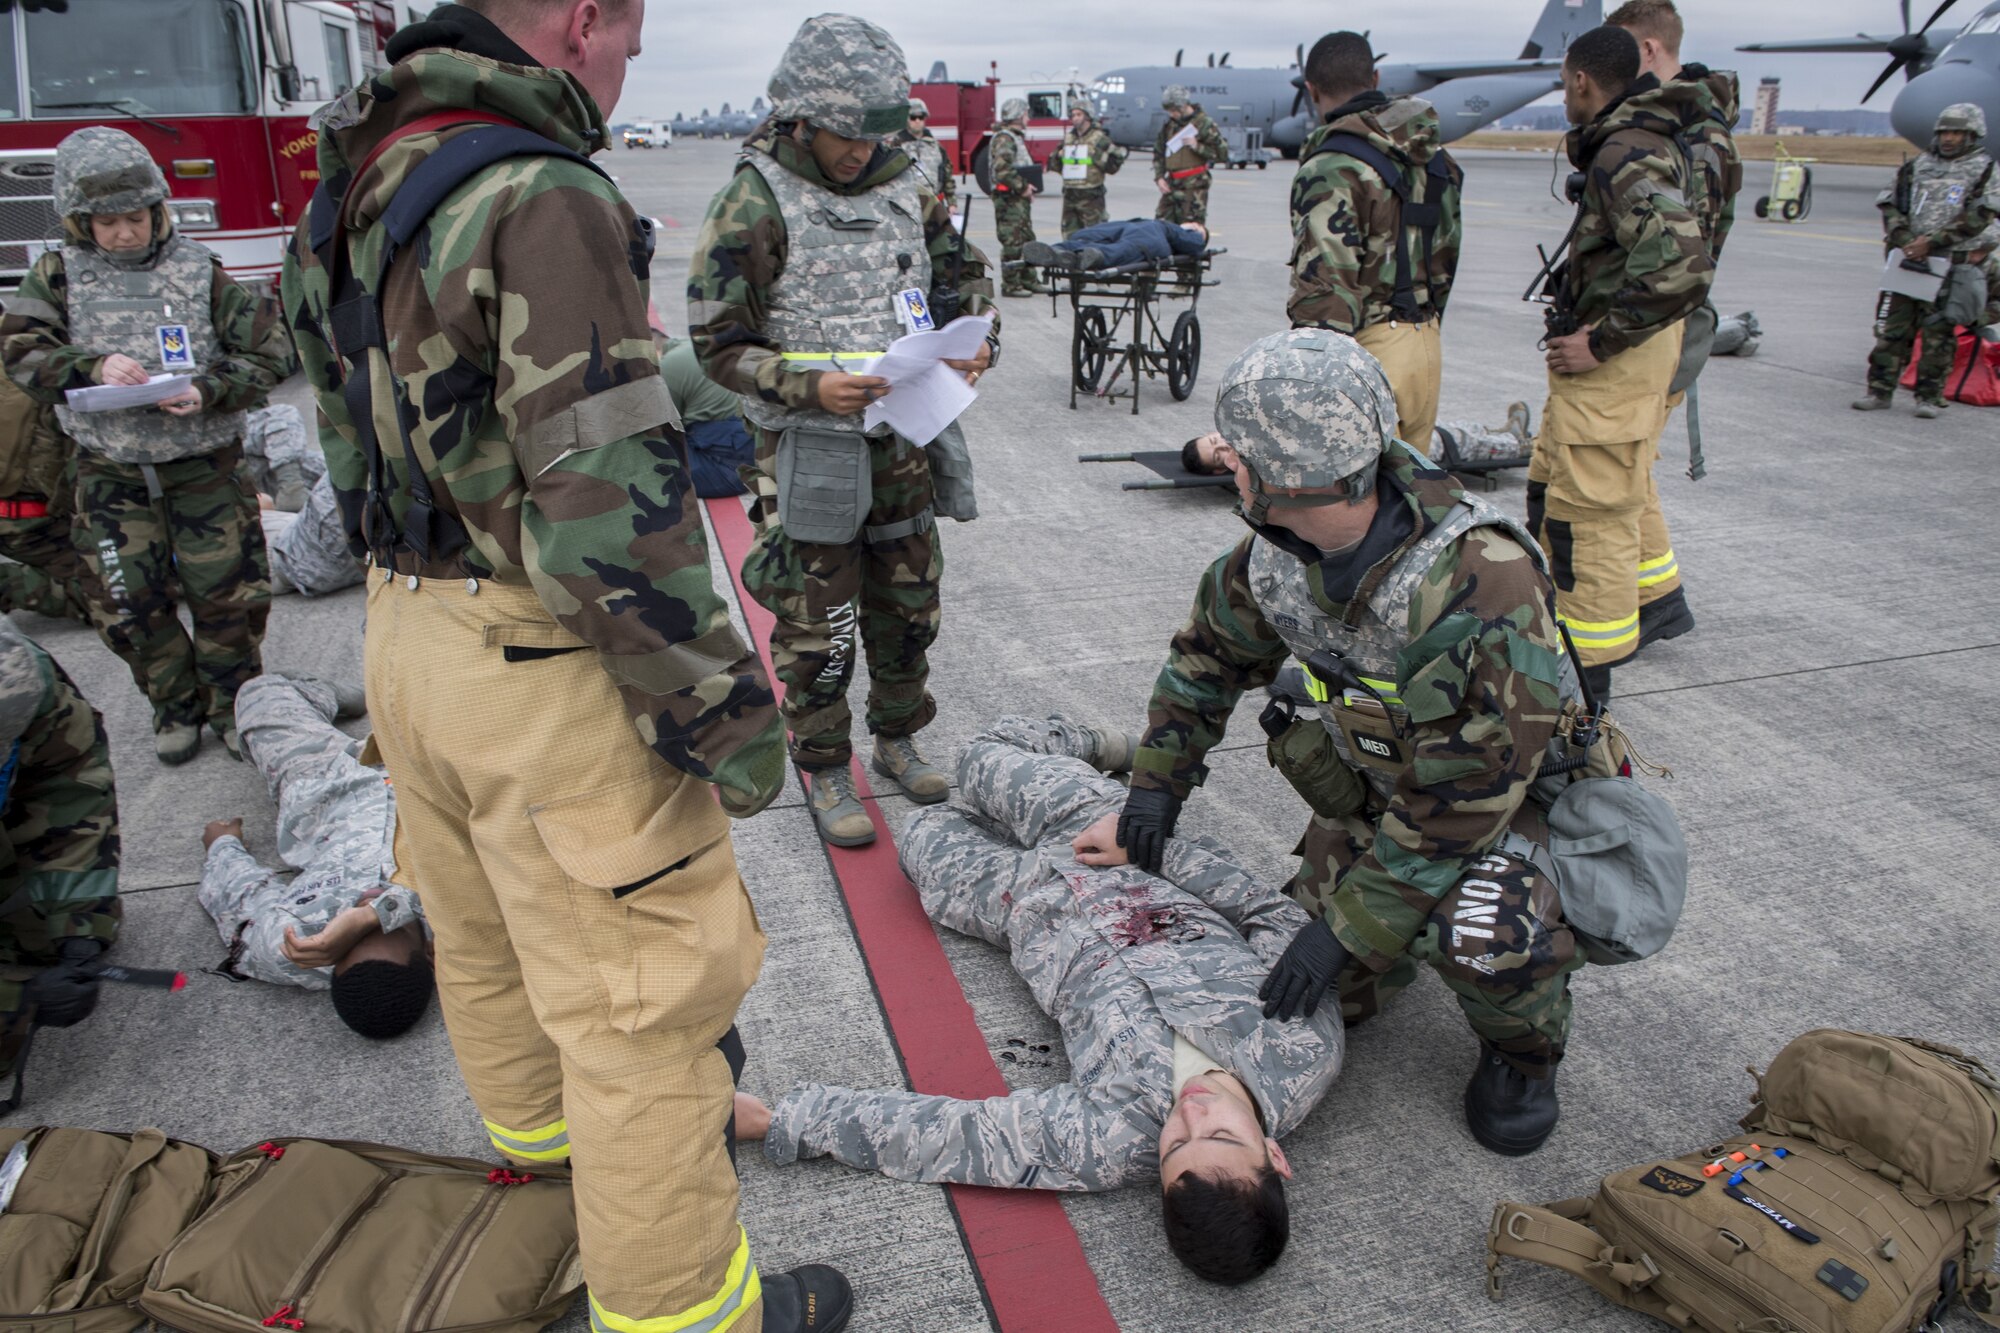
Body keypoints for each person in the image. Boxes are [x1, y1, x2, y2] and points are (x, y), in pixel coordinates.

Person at [280, 3, 848, 1330]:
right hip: (538, 656)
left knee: (486, 952)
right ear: (582, 21)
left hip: (407, 640)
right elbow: (606, 511)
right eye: (631, 41)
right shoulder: (539, 193)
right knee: (644, 1020)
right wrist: (728, 721)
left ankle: (547, 1211)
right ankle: (689, 1315)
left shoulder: (356, 180)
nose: (627, 68)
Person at [1094, 329, 1590, 1157]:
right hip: (1387, 794)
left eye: (1236, 453)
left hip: (1507, 811)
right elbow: (1208, 659)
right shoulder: (1280, 555)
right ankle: (1378, 929)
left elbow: (1467, 795)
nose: (1226, 464)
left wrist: (1348, 928)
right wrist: (1156, 786)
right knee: (1308, 989)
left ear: (1282, 476)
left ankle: (1523, 1051)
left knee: (1482, 932)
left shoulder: (1479, 579)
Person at [743, 715, 1339, 1286]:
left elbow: (958, 1137)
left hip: (1018, 901)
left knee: (923, 831)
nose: (1192, 1115)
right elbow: (1270, 915)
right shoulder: (1299, 1049)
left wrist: (785, 1121)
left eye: (1175, 1148)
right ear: (1274, 1156)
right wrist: (1152, 849)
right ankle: (1097, 747)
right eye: (1223, 1136)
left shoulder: (1111, 1139)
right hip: (1116, 850)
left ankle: (1029, 801)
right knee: (979, 758)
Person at [689, 13, 999, 850]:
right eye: (843, 135)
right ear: (799, 115)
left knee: (909, 603)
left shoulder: (908, 182)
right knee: (817, 619)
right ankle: (825, 764)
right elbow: (717, 343)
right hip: (808, 449)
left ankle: (898, 738)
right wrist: (808, 386)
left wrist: (976, 341)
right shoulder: (754, 200)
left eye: (875, 133)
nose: (860, 151)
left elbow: (963, 277)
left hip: (905, 435)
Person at [2, 127, 294, 765]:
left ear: (157, 210)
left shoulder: (199, 273)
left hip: (202, 470)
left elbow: (271, 354)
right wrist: (90, 366)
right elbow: (21, 353)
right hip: (110, 473)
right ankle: (174, 706)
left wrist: (210, 389)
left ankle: (232, 708)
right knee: (128, 602)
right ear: (80, 223)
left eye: (134, 219)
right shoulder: (56, 276)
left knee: (228, 596)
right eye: (105, 224)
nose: (124, 235)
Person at [1524, 25, 1712, 701]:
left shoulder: (1625, 151)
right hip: (1628, 355)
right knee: (1560, 487)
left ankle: (1584, 693)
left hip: (1615, 361)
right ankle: (1600, 631)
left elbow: (1683, 262)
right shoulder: (1646, 137)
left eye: (1565, 85)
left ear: (1581, 80)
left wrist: (1599, 340)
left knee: (1588, 519)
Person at [1610, 0, 1743, 652]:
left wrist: (1609, 332)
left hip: (1661, 329)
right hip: (1663, 326)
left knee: (1620, 466)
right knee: (1632, 467)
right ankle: (1657, 593)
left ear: (1652, 52)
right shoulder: (1688, 124)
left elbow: (1677, 258)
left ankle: (1651, 601)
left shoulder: (1691, 134)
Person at [198, 675, 432, 1038]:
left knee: (259, 693)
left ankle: (334, 695)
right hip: (434, 773)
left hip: (329, 784)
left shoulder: (295, 948)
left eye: (348, 939)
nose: (362, 907)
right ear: (430, 955)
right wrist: (376, 916)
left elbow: (242, 901)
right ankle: (373, 685)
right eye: (385, 927)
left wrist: (222, 847)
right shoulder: (465, 930)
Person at [1288, 31, 1464, 452]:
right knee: (1411, 499)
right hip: (1425, 343)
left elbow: (1325, 285)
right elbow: (1447, 251)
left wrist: (1313, 378)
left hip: (1369, 350)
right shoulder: (1435, 158)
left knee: (1354, 502)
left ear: (1311, 90)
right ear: (1375, 76)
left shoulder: (1333, 166)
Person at [0, 616, 119, 1111]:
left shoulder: (20, 680)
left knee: (52, 939)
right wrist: (17, 1001)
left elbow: (70, 791)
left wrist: (78, 925)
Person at [1853, 103, 1998, 416]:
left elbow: (1981, 215)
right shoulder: (1918, 165)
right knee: (1891, 330)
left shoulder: (1986, 169)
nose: (1948, 138)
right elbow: (1891, 204)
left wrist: (1931, 243)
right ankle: (1879, 391)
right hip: (1909, 261)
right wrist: (1905, 240)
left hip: (1950, 265)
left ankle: (1929, 397)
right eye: (1944, 131)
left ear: (1972, 134)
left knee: (1938, 334)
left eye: (1956, 132)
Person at [1181, 402, 1530, 477]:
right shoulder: (1257, 460)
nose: (1224, 445)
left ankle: (1503, 432)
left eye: (1215, 439)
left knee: (1451, 424)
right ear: (1219, 470)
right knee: (1456, 440)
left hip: (1376, 427)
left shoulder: (1250, 430)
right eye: (1218, 454)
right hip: (1391, 448)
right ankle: (1522, 444)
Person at [659, 335, 753, 499]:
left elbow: (663, 425)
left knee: (649, 463)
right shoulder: (694, 346)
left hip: (728, 470)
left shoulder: (666, 365)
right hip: (751, 445)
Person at [1153, 87, 1227, 227]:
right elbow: (1159, 152)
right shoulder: (1170, 126)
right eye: (1169, 111)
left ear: (1183, 106)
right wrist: (1160, 177)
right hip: (1172, 184)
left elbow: (1222, 154)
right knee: (1160, 227)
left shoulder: (1204, 124)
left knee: (1191, 230)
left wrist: (1197, 146)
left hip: (1194, 187)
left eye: (1174, 110)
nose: (1171, 114)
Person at [991, 98, 1042, 296]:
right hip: (1008, 199)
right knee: (1012, 242)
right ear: (1018, 116)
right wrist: (1022, 188)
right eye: (1026, 114)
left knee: (1027, 239)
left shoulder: (1014, 137)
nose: (1028, 118)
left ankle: (1029, 279)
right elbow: (1002, 170)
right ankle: (1011, 284)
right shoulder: (1005, 139)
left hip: (1017, 199)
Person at [1022, 218, 1206, 272]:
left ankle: (1088, 255)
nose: (1193, 223)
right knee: (1085, 236)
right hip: (1136, 225)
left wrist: (1196, 231)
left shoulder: (1188, 234)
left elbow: (1197, 244)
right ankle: (1057, 251)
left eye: (1197, 226)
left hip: (1153, 235)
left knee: (1122, 249)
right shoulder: (1171, 226)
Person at [1057, 101, 1127, 236]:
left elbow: (1116, 160)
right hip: (1071, 194)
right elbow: (1055, 162)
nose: (1075, 118)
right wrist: (1059, 156)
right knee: (1070, 235)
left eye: (1079, 114)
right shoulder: (1069, 138)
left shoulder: (1099, 138)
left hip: (1091, 195)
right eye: (1073, 115)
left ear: (1087, 116)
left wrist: (1096, 156)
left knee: (1095, 235)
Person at [891, 95, 955, 208]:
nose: (917, 121)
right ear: (906, 119)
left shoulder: (935, 146)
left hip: (934, 206)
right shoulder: (896, 146)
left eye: (920, 117)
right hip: (908, 206)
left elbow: (947, 175)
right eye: (913, 117)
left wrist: (952, 203)